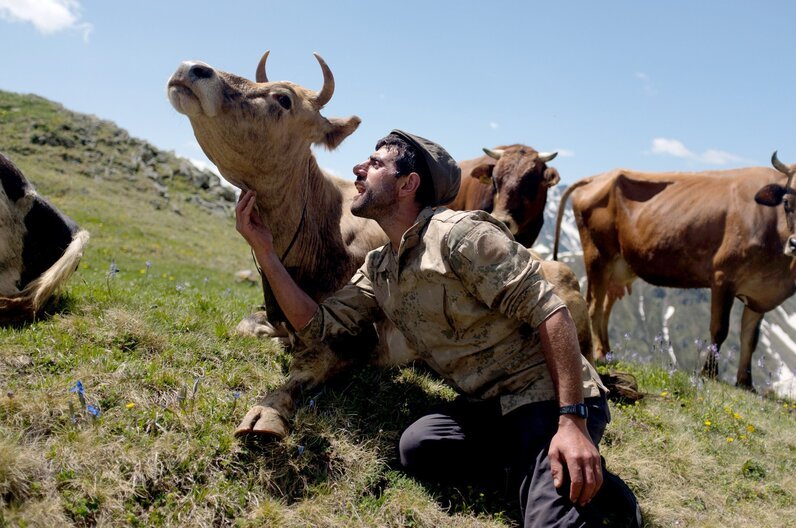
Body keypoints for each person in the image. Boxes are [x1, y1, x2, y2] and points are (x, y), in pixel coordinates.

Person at [235, 130, 641, 527]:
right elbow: (316, 325)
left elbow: (553, 313)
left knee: (548, 520)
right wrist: (265, 253)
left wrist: (572, 420)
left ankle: (606, 499)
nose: (358, 169)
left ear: (408, 184)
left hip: (544, 395)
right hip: (487, 405)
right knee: (418, 449)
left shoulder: (463, 237)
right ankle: (542, 468)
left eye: (375, 163)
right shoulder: (380, 266)